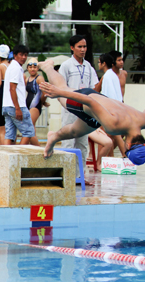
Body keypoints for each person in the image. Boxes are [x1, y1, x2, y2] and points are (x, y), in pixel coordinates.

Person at [38, 59, 145, 166]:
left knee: (75, 131)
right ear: (128, 146)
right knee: (62, 87)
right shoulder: (113, 125)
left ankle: (53, 137)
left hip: (98, 113)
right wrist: (60, 92)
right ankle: (48, 67)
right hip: (86, 101)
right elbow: (90, 101)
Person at [58, 35, 98, 178]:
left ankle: (79, 176)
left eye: (84, 46)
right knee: (68, 142)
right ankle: (67, 176)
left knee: (82, 144)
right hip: (70, 109)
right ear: (72, 47)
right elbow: (60, 88)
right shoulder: (66, 66)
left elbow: (93, 88)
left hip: (85, 110)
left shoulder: (88, 66)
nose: (83, 49)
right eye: (79, 46)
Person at [2, 44, 35, 145]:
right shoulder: (16, 68)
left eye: (25, 55)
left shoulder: (11, 67)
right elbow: (12, 88)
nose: (24, 57)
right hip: (16, 106)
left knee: (10, 134)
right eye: (21, 55)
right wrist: (17, 108)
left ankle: (6, 158)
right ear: (15, 55)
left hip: (7, 105)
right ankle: (18, 157)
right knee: (29, 132)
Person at [24, 57, 49, 146]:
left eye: (35, 67)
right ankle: (35, 150)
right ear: (27, 68)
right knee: (31, 129)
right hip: (28, 105)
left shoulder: (39, 78)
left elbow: (44, 92)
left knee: (29, 129)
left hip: (35, 106)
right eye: (30, 67)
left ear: (38, 68)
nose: (32, 69)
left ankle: (39, 150)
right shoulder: (27, 79)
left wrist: (42, 102)